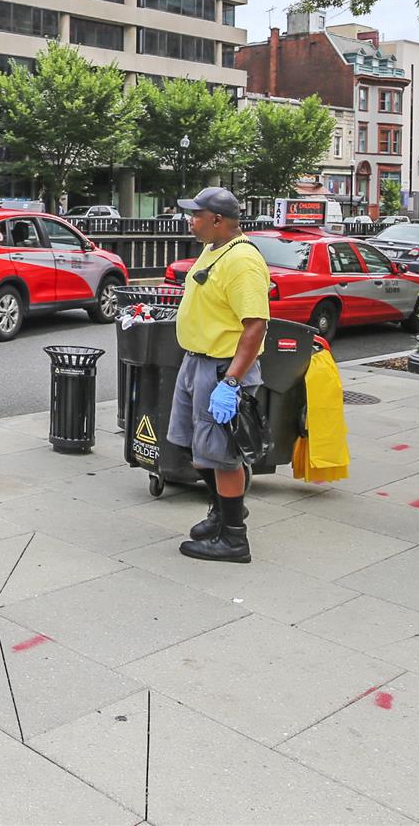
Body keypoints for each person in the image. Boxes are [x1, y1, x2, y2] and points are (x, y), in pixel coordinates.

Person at [171, 187, 270, 565]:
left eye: (195, 214)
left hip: (221, 368)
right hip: (197, 362)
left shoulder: (242, 260)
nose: (189, 220)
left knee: (223, 456)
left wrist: (231, 382)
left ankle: (233, 539)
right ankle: (223, 510)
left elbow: (256, 325)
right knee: (197, 450)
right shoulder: (214, 249)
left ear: (216, 219)